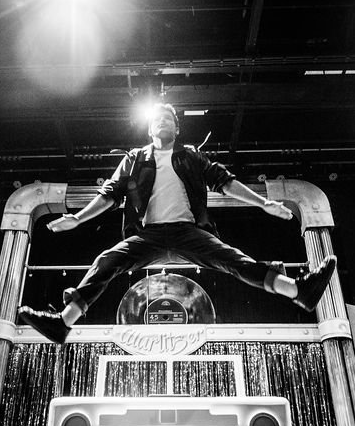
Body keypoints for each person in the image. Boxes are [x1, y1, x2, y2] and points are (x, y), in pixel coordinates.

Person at [17, 103, 337, 343]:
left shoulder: (190, 156)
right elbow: (110, 194)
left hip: (188, 233)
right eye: (157, 119)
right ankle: (63, 323)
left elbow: (224, 181)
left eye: (168, 119)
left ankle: (299, 290)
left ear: (176, 128)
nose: (162, 122)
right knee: (106, 261)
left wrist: (264, 202)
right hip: (148, 236)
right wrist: (78, 217)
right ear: (150, 130)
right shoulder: (135, 159)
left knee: (234, 260)